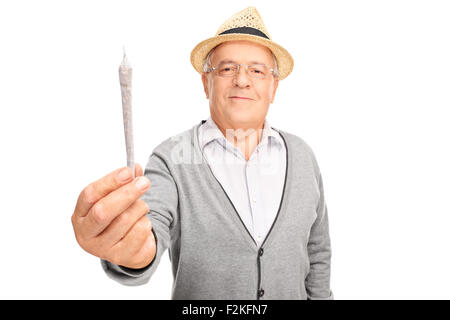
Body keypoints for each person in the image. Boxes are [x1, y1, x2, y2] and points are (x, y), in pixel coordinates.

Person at [71, 6, 333, 300]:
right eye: (227, 68)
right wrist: (131, 252)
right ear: (206, 83)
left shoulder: (303, 156)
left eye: (257, 71)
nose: (242, 80)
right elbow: (149, 227)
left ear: (273, 87)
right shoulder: (172, 158)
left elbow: (317, 250)